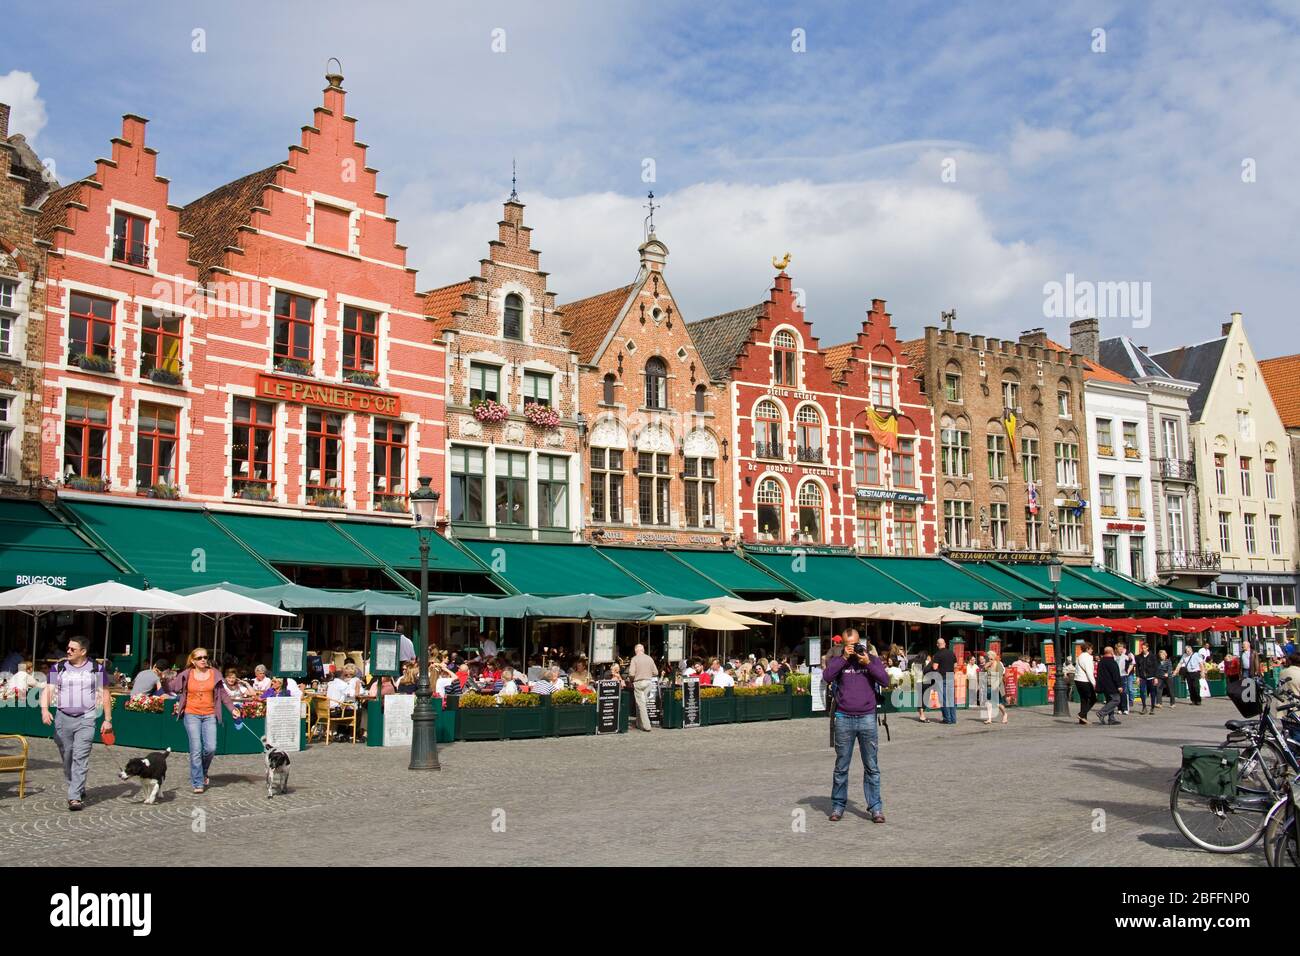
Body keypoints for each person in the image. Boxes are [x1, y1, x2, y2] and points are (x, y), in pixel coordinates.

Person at [823, 628, 888, 823]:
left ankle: (876, 808)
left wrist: (868, 663)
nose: (853, 648)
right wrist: (843, 658)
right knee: (841, 767)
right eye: (848, 644)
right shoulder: (839, 661)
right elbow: (826, 677)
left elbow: (885, 680)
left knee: (872, 767)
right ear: (843, 644)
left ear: (862, 642)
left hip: (867, 717)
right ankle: (838, 805)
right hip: (844, 717)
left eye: (855, 644)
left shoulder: (870, 659)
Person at [41, 637, 112, 811]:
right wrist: (44, 709)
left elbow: (105, 694)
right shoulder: (58, 667)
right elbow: (48, 690)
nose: (68, 651)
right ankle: (77, 786)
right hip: (62, 717)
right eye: (68, 648)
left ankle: (74, 797)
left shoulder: (97, 669)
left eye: (73, 649)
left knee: (80, 756)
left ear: (83, 651)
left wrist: (108, 720)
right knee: (67, 756)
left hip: (86, 718)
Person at [167, 647, 240, 794]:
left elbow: (223, 694)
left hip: (209, 714)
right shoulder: (187, 674)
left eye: (205, 657)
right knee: (196, 748)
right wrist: (162, 679)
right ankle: (198, 782)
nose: (203, 660)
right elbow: (171, 687)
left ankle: (203, 770)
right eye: (199, 658)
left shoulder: (215, 674)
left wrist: (232, 709)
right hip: (191, 714)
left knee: (211, 747)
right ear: (193, 661)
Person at [628, 643, 659, 732]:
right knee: (641, 703)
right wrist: (648, 674)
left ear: (635, 651)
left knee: (641, 704)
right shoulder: (649, 658)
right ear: (643, 650)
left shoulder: (634, 659)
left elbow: (631, 673)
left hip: (638, 683)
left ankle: (647, 725)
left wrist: (631, 679)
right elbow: (656, 672)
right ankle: (639, 723)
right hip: (648, 683)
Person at [931, 637, 957, 724]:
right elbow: (955, 665)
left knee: (943, 699)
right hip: (951, 676)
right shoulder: (951, 653)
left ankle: (947, 719)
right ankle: (953, 719)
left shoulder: (937, 654)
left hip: (942, 677)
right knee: (951, 698)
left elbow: (935, 667)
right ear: (945, 644)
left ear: (938, 645)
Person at [1095, 646, 1123, 726]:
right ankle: (1101, 712)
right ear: (1111, 652)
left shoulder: (1101, 662)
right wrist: (1119, 685)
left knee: (1109, 701)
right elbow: (1116, 675)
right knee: (1116, 700)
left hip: (1104, 685)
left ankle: (1111, 719)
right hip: (1111, 686)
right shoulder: (1112, 662)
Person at [1075, 642, 1097, 725]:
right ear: (1087, 649)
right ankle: (1081, 714)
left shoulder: (1079, 656)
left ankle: (1082, 719)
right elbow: (1089, 672)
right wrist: (1094, 683)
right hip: (1084, 680)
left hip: (1077, 680)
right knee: (1093, 699)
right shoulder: (1088, 657)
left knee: (1084, 699)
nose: (1092, 650)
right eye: (1091, 648)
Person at [983, 650, 1008, 725]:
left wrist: (996, 685)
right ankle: (989, 719)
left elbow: (1000, 676)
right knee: (989, 702)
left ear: (994, 658)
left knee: (998, 704)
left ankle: (1005, 714)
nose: (989, 660)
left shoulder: (998, 664)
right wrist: (985, 667)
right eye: (988, 659)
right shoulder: (988, 664)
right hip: (989, 685)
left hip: (997, 686)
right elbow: (984, 673)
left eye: (991, 659)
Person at [1181, 641, 1204, 706]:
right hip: (1188, 673)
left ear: (1191, 650)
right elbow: (1180, 664)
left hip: (1195, 672)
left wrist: (1202, 672)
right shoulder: (1184, 656)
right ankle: (1193, 700)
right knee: (1190, 687)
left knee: (1196, 687)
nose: (1187, 652)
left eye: (1188, 651)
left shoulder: (1196, 654)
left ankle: (1198, 700)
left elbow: (1201, 664)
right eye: (1186, 651)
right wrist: (1175, 671)